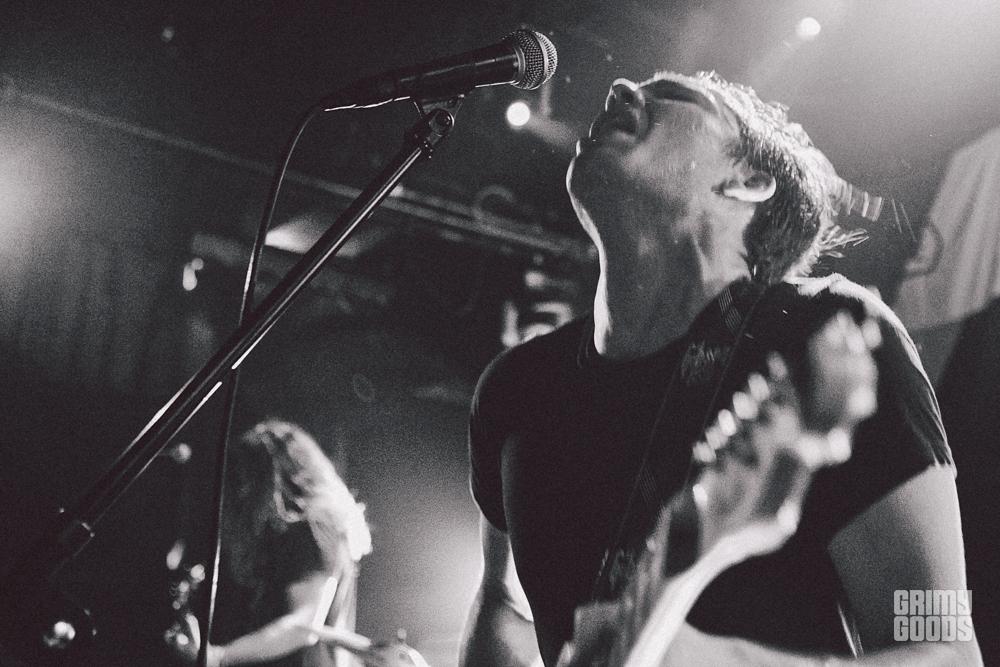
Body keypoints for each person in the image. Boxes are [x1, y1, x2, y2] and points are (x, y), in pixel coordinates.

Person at [459, 71, 982, 666]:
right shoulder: (515, 386)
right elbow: (504, 607)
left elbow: (945, 647)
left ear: (748, 181)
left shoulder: (830, 335)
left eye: (674, 96)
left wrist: (711, 659)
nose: (621, 87)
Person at [174, 420, 372, 667]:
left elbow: (303, 625)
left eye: (247, 476)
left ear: (274, 475)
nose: (242, 490)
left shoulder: (312, 530)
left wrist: (219, 656)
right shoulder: (304, 531)